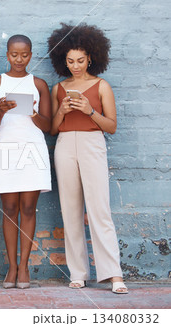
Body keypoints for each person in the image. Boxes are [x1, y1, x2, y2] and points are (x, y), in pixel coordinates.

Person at [48, 23, 128, 294]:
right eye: (70, 61)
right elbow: (53, 128)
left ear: (91, 57)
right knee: (70, 210)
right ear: (63, 60)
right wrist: (61, 109)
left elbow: (112, 126)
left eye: (80, 60)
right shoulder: (58, 87)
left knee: (99, 210)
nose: (75, 66)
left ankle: (113, 274)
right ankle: (78, 272)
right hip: (65, 145)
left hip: (93, 143)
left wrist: (89, 110)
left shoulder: (101, 85)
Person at [0, 35, 52, 289]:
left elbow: (47, 126)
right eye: (14, 54)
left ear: (31, 55)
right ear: (7, 54)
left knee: (27, 208)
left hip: (33, 148)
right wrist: (1, 110)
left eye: (24, 55)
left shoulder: (39, 84)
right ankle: (11, 268)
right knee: (10, 208)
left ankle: (24, 266)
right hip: (5, 148)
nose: (19, 59)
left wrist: (33, 112)